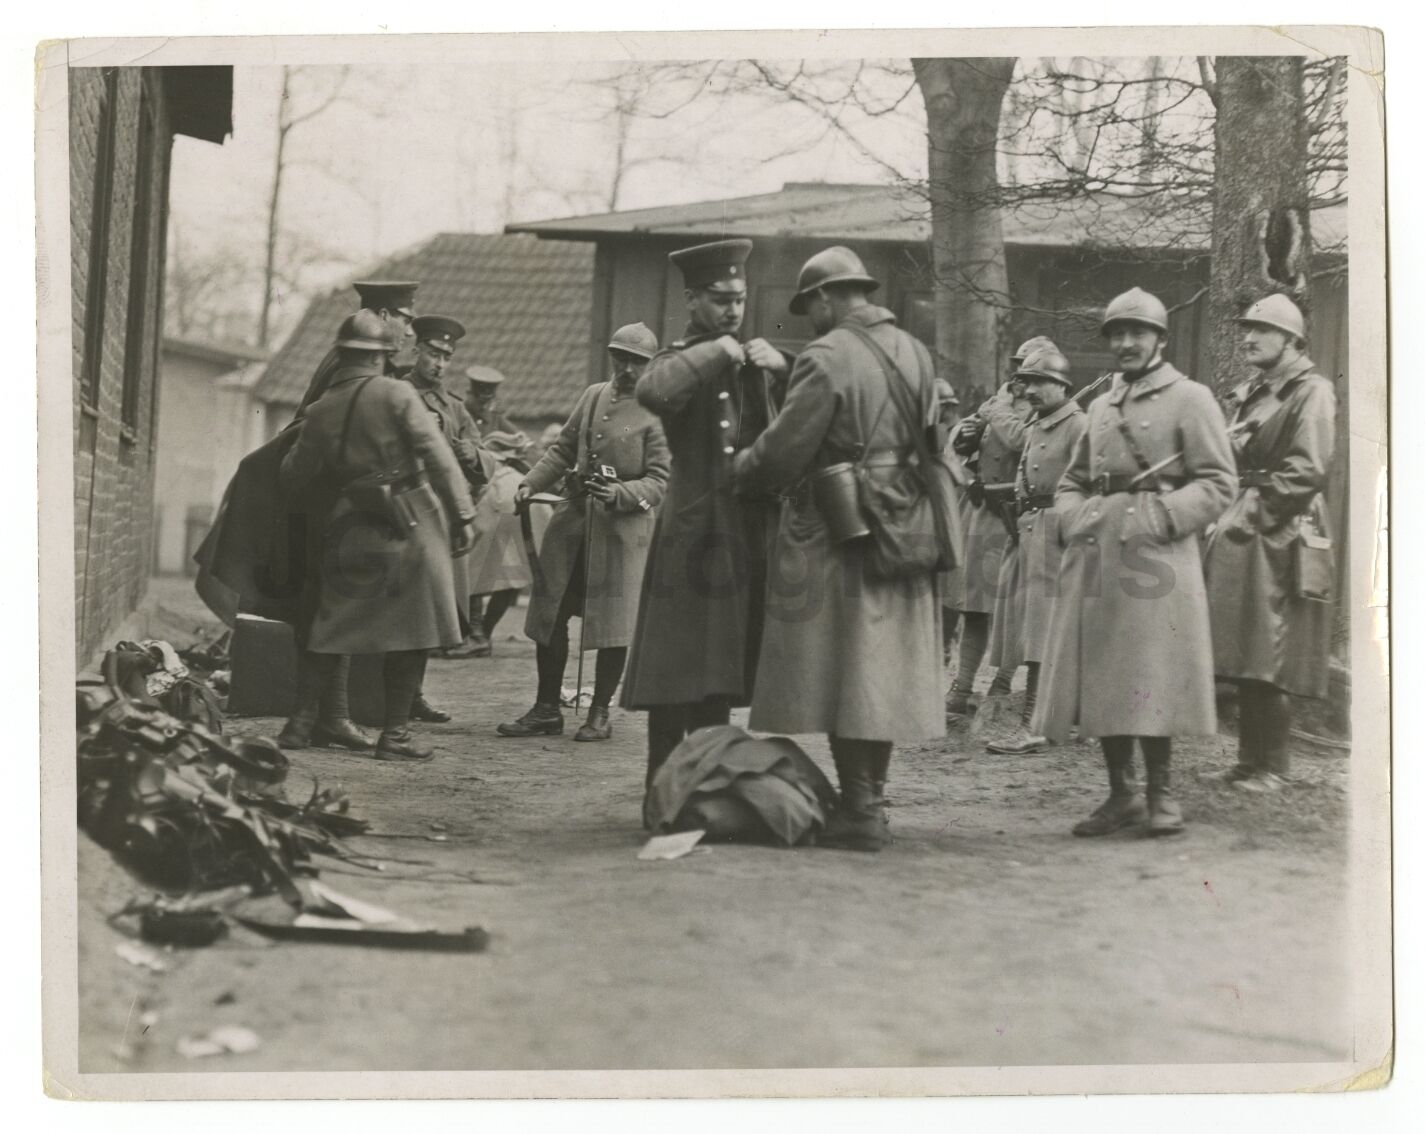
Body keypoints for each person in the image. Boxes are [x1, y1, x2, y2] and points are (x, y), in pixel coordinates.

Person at [733, 246, 945, 852]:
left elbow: (785, 450)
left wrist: (742, 469)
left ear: (827, 298)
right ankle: (868, 802)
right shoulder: (916, 351)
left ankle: (860, 809)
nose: (808, 319)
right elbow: (933, 437)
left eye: (809, 307)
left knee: (846, 669)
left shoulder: (826, 355)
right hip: (907, 521)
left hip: (839, 526)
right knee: (879, 671)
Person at [1033, 288, 1236, 836]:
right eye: (1116, 334)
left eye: (1136, 333)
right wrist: (1075, 517)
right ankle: (1121, 794)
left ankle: (1161, 794)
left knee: (1154, 673)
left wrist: (1162, 517)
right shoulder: (1100, 406)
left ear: (1160, 340)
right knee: (1106, 676)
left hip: (1159, 556)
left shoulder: (1191, 398)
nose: (1125, 343)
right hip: (1100, 554)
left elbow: (1219, 482)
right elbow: (1072, 481)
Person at [620, 238, 790, 809]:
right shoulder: (685, 358)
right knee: (674, 673)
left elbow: (781, 435)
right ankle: (659, 796)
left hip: (742, 536)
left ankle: (704, 793)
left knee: (720, 673)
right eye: (720, 300)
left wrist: (782, 369)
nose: (733, 311)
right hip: (691, 535)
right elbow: (655, 389)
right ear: (693, 299)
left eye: (739, 300)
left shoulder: (751, 362)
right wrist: (720, 350)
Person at [277, 311, 477, 762]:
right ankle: (395, 735)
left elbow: (294, 476)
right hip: (410, 515)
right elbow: (437, 455)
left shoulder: (321, 408)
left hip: (350, 522)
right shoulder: (398, 394)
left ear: (343, 355)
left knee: (330, 625)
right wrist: (462, 514)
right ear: (384, 356)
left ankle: (300, 722)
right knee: (417, 627)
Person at [499, 323, 671, 741]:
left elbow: (661, 482)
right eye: (621, 358)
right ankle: (545, 709)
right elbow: (561, 449)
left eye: (637, 361)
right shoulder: (594, 395)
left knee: (614, 624)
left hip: (621, 533)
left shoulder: (659, 411)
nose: (627, 368)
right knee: (550, 613)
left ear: (650, 365)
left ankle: (598, 714)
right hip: (572, 525)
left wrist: (621, 493)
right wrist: (531, 483)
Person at [1204, 294, 1337, 791]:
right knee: (1246, 644)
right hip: (1245, 520)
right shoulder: (1257, 392)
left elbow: (1309, 468)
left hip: (1282, 525)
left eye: (1261, 329)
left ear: (1290, 338)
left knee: (1272, 647)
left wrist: (1253, 513)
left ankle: (1274, 767)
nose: (1248, 337)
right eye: (1247, 328)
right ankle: (1247, 762)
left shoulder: (1312, 391)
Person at [395, 314, 499, 719]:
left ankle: (412, 695)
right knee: (398, 610)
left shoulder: (454, 407)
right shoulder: (397, 392)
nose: (439, 363)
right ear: (415, 350)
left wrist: (471, 454)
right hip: (402, 513)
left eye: (446, 357)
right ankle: (389, 700)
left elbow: (484, 457)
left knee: (429, 611)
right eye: (432, 353)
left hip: (442, 519)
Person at [984, 347, 1086, 756]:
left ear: (1063, 385)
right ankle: (1053, 719)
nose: (1031, 390)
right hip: (1028, 530)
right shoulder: (1040, 421)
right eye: (1028, 382)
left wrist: (1068, 525)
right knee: (1028, 626)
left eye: (1042, 382)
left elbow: (1087, 483)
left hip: (1056, 533)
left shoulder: (1078, 425)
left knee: (1044, 630)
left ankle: (1035, 723)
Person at [944, 338, 1044, 717]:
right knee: (974, 606)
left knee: (1011, 607)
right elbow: (961, 447)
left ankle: (1003, 683)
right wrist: (967, 436)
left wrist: (997, 409)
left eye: (1029, 371)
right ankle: (963, 685)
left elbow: (1022, 441)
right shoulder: (995, 404)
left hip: (1015, 519)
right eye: (1017, 367)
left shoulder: (1037, 409)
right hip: (983, 515)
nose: (1020, 377)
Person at [295, 280, 418, 415]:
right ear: (384, 315)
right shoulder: (359, 361)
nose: (410, 333)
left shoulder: (352, 355)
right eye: (406, 321)